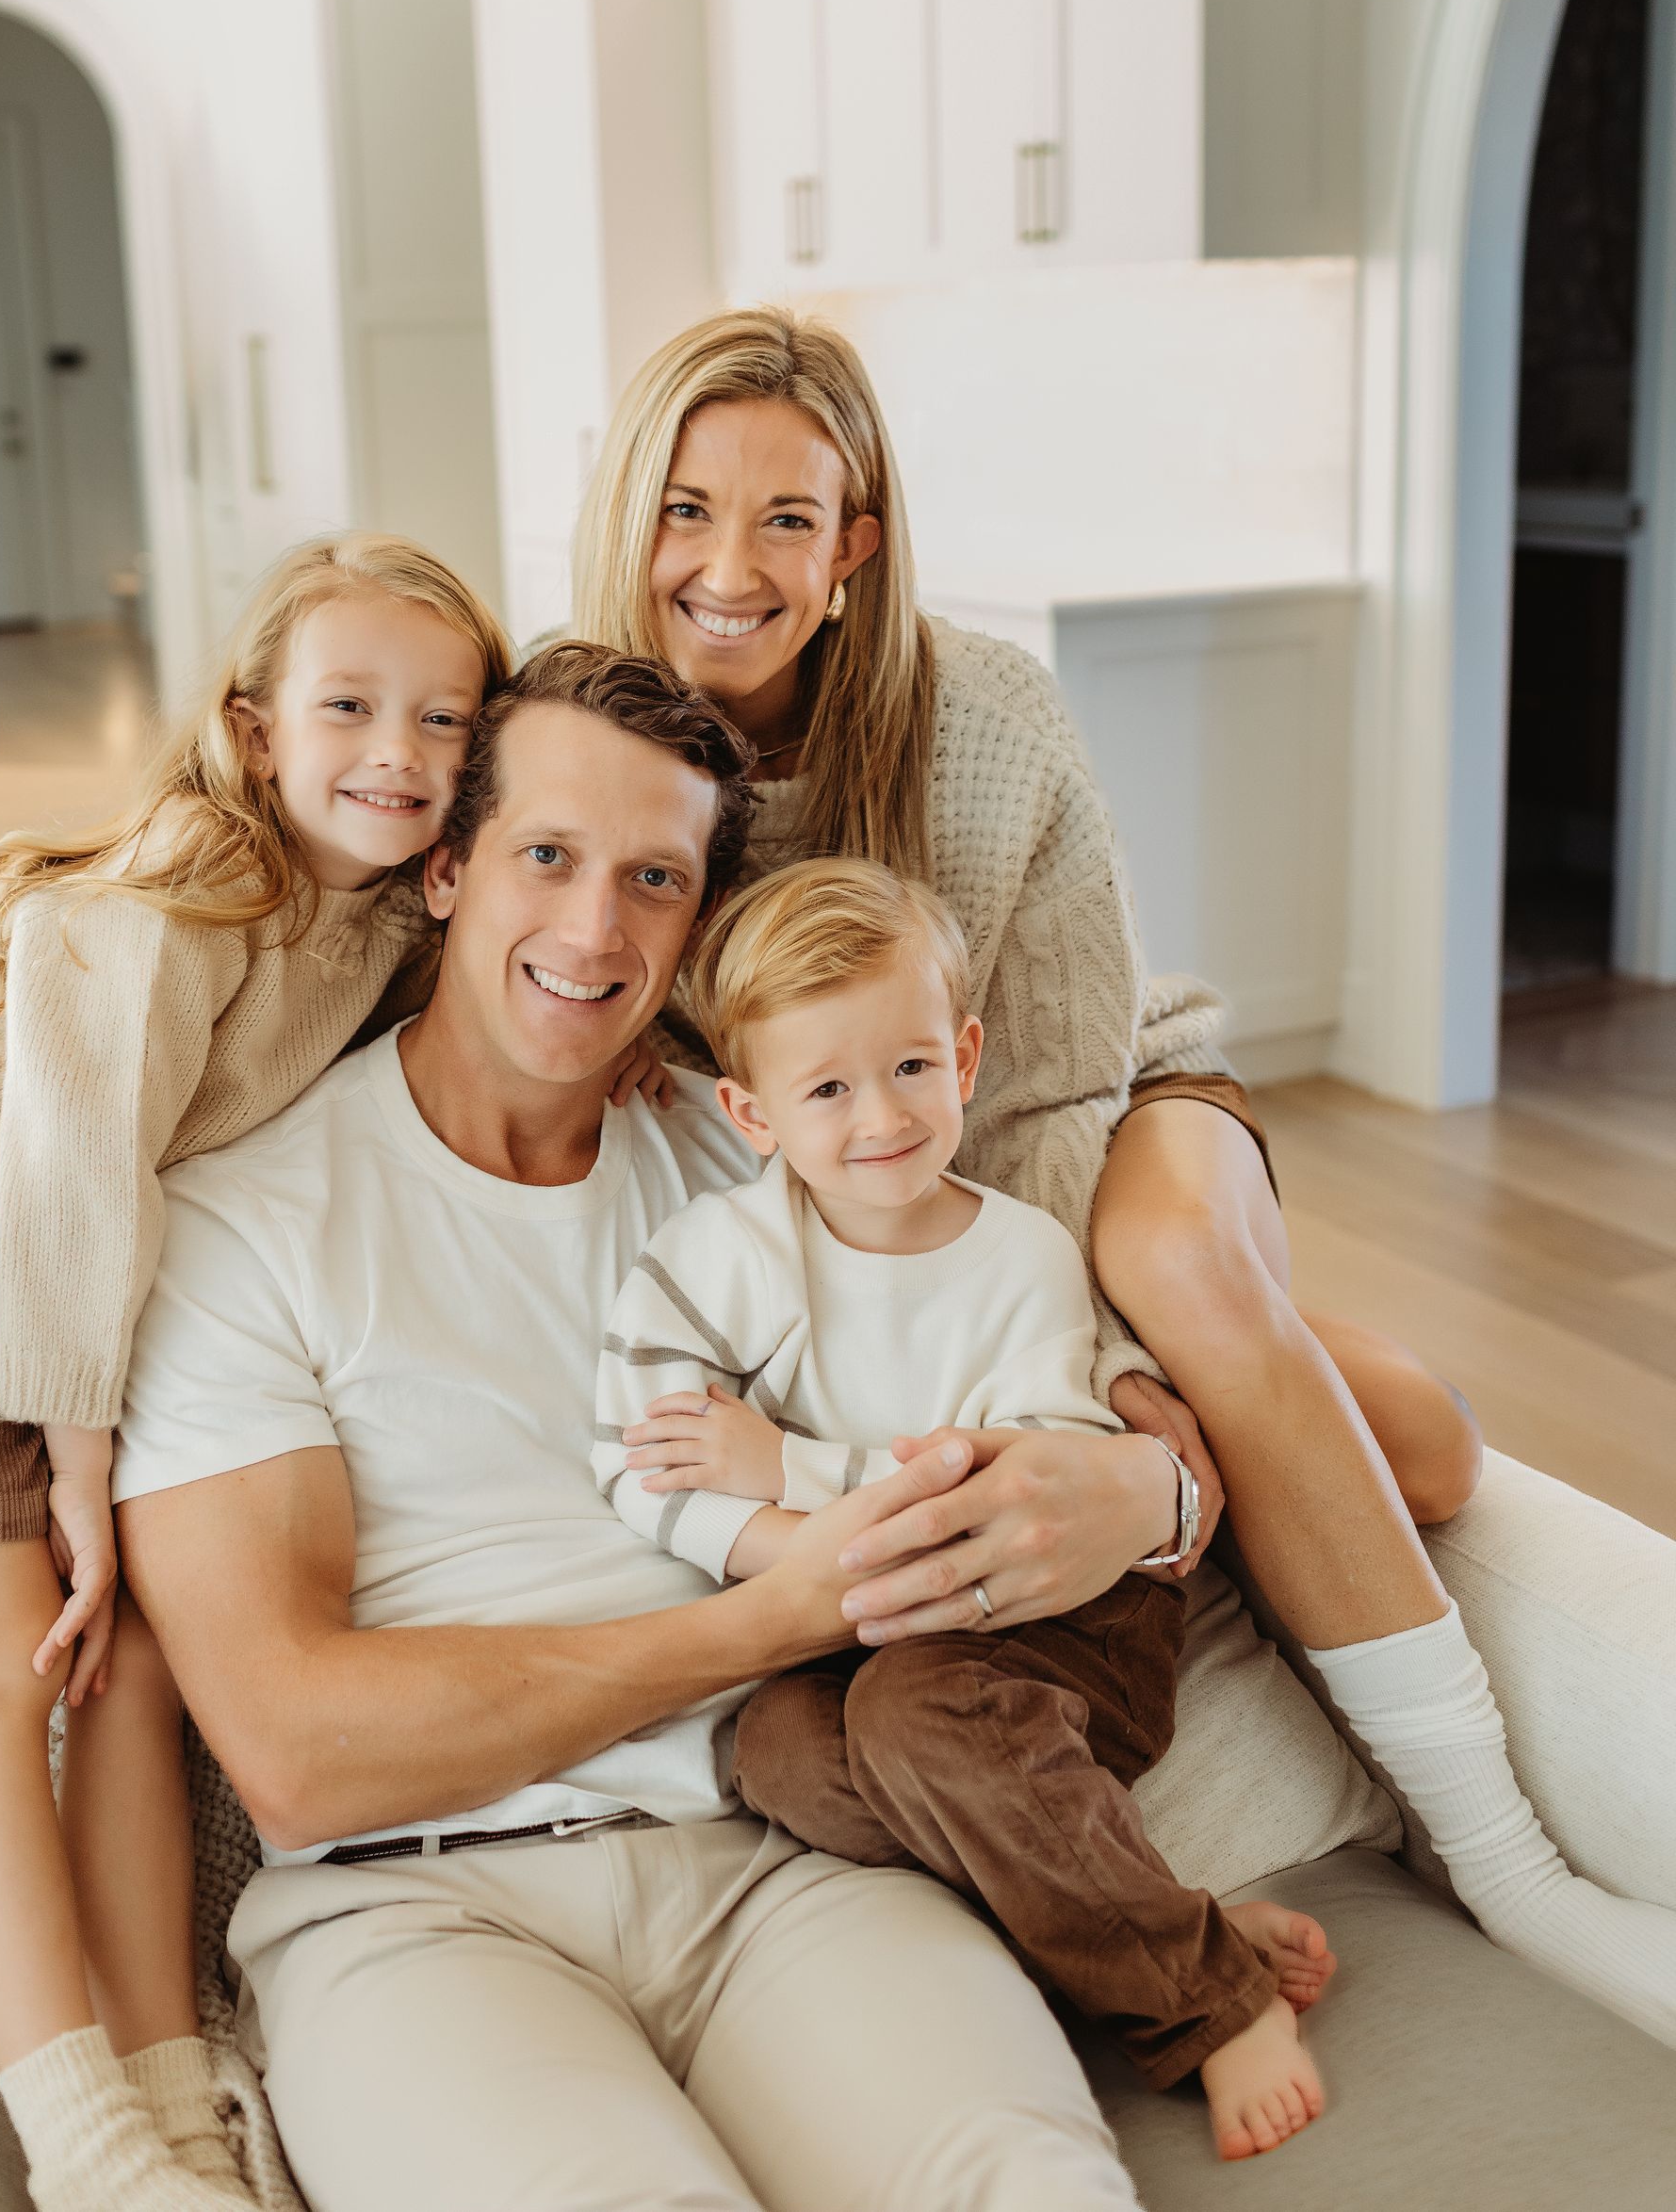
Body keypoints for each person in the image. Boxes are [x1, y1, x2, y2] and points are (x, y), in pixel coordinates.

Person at [572, 307, 1676, 2046]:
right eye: (685, 509)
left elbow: (1064, 1075)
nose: (729, 565)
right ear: (626, 510)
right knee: (1427, 1446)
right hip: (874, 1187)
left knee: (1182, 1270)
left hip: (1086, 1118)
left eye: (787, 517)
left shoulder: (984, 712)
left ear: (854, 546)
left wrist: (1109, 1413)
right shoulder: (592, 748)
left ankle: (1507, 1861)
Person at [111, 642, 1164, 2212]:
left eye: (655, 879)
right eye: (548, 855)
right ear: (449, 866)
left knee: (1035, 2187)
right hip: (416, 1913)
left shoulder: (770, 1159)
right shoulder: (248, 1220)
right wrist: (779, 1611)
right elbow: (299, 1751)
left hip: (784, 1859)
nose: (596, 931)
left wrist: (1154, 1479)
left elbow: (1024, 1304)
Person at [0, 534, 513, 2211]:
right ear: (254, 725)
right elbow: (77, 1144)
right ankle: (78, 2135)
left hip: (45, 1266)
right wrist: (77, 1455)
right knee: (5, 1665)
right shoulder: (195, 877)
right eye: (351, 706)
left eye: (446, 720)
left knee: (131, 1662)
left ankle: (164, 2075)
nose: (400, 751)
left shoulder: (372, 917)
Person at [594, 855, 1334, 2161]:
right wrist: (791, 1553)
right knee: (777, 1754)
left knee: (917, 1711)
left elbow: (1008, 1494)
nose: (878, 1117)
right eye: (825, 1088)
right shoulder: (720, 1255)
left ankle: (1210, 2007)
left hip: (1065, 1615)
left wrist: (790, 1472)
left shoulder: (1019, 1253)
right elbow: (641, 1461)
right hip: (856, 1624)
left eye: (909, 1067)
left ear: (967, 1054)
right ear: (752, 1111)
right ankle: (1168, 1922)